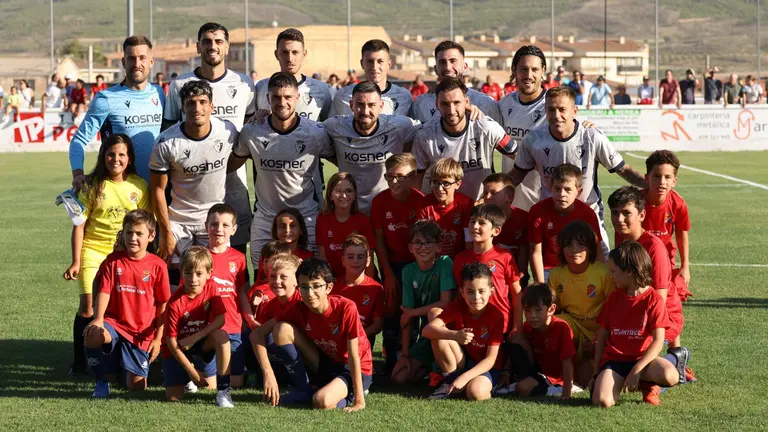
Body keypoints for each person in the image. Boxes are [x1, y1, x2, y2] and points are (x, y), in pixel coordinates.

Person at [509, 85, 647, 257]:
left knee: (600, 270)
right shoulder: (534, 139)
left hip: (589, 216)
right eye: (551, 110)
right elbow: (516, 175)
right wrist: (493, 194)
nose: (556, 115)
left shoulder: (592, 136)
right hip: (551, 218)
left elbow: (624, 170)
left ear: (574, 111)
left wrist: (651, 186)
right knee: (553, 276)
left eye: (562, 110)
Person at [163, 23, 256, 258]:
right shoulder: (179, 85)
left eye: (218, 41)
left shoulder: (244, 84)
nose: (212, 47)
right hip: (191, 195)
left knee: (234, 260)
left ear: (226, 47)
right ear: (198, 47)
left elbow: (249, 133)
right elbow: (168, 135)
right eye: (206, 41)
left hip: (234, 186)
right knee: (190, 264)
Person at [62, 134, 150, 377]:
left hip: (124, 255)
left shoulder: (139, 186)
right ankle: (80, 362)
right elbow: (79, 225)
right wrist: (76, 261)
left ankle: (116, 359)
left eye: (122, 154)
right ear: (103, 156)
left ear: (129, 158)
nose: (116, 159)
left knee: (120, 307)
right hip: (93, 250)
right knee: (88, 307)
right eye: (111, 154)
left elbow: (145, 225)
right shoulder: (92, 185)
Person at [230, 72, 333, 270]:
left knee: (309, 276)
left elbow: (340, 159)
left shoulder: (315, 132)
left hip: (305, 216)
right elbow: (232, 164)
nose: (282, 102)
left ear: (297, 98)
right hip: (266, 217)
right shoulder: (252, 132)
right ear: (268, 99)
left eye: (287, 97)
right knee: (263, 277)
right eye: (276, 97)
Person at [251, 258, 373, 410]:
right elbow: (256, 334)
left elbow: (354, 356)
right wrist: (268, 374)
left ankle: (352, 393)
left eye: (316, 286)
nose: (310, 293)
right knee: (281, 329)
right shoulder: (299, 308)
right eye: (304, 287)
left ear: (329, 288)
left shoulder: (345, 307)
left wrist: (359, 402)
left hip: (354, 368)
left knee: (322, 401)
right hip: (326, 363)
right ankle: (304, 388)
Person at [608, 186, 693, 383]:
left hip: (663, 316)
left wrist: (636, 329)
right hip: (636, 313)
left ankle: (675, 358)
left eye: (626, 213)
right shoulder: (621, 238)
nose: (619, 219)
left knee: (640, 352)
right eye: (615, 213)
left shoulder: (654, 247)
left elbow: (660, 298)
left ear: (642, 215)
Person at [149, 80, 239, 266]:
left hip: (214, 219)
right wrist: (165, 232)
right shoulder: (166, 143)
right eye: (190, 103)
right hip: (178, 221)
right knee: (175, 278)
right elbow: (157, 190)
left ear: (212, 106)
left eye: (202, 102)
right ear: (182, 107)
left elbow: (241, 153)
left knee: (215, 277)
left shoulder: (227, 131)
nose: (197, 108)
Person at [83, 210, 171, 398]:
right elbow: (104, 291)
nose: (133, 238)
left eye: (139, 234)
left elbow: (163, 304)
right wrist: (98, 319)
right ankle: (101, 382)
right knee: (92, 334)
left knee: (137, 386)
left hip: (141, 333)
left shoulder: (157, 266)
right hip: (114, 325)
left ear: (151, 236)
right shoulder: (113, 261)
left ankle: (120, 366)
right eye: (129, 232)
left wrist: (157, 338)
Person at [591, 241, 689, 407]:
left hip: (644, 360)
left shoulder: (654, 300)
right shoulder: (614, 298)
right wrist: (595, 373)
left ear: (629, 272)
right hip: (615, 361)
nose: (611, 276)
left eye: (614, 272)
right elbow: (601, 337)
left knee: (670, 375)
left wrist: (636, 370)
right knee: (602, 401)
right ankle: (621, 381)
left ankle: (647, 382)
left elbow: (659, 341)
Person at [69, 36, 165, 186]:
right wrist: (78, 173)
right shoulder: (106, 99)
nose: (137, 64)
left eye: (142, 58)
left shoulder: (160, 94)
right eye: (131, 58)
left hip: (158, 191)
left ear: (151, 61)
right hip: (121, 193)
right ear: (123, 62)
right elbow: (78, 141)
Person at [323, 81, 422, 214]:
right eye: (360, 105)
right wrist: (339, 159)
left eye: (371, 105)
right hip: (351, 209)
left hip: (387, 209)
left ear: (381, 106)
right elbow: (314, 138)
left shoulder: (399, 125)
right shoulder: (334, 126)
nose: (365, 111)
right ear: (351, 105)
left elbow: (426, 133)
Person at [412, 78, 515, 201]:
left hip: (479, 209)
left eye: (456, 103)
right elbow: (417, 178)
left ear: (466, 102)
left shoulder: (486, 127)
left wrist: (502, 188)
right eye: (444, 104)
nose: (451, 111)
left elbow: (519, 156)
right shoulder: (425, 135)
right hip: (443, 211)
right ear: (437, 105)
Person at [370, 153, 425, 374]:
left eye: (400, 177)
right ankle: (390, 358)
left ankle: (414, 356)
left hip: (417, 266)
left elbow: (424, 241)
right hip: (391, 264)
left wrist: (417, 272)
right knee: (391, 309)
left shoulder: (421, 201)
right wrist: (389, 275)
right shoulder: (380, 202)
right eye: (390, 176)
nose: (394, 182)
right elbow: (379, 242)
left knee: (413, 310)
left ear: (413, 177)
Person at [162, 246, 234, 407]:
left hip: (199, 343)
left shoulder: (212, 288)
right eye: (188, 273)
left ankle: (223, 391)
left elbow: (220, 319)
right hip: (178, 349)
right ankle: (186, 376)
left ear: (209, 273)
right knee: (174, 398)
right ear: (181, 272)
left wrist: (195, 337)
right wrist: (191, 372)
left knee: (222, 336)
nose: (193, 279)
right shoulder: (174, 303)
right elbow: (171, 343)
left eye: (199, 274)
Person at [423, 262, 504, 401]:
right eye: (470, 291)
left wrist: (465, 377)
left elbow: (491, 359)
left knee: (475, 393)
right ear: (462, 292)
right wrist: (455, 335)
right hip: (465, 361)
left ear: (492, 290)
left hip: (486, 367)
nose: (476, 297)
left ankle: (473, 385)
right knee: (439, 333)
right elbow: (427, 330)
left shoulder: (496, 316)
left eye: (481, 291)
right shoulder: (458, 306)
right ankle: (451, 382)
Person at [548, 220, 615, 387]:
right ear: (561, 248)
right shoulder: (556, 275)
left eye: (580, 244)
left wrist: (598, 339)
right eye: (569, 245)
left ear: (591, 247)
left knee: (586, 381)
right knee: (557, 322)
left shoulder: (602, 273)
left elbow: (613, 310)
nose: (574, 250)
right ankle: (554, 371)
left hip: (600, 334)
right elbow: (554, 312)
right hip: (573, 330)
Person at [391, 220, 456, 385]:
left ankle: (440, 371)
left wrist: (412, 313)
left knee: (435, 313)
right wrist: (405, 355)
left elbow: (445, 302)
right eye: (418, 242)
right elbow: (407, 315)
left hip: (448, 333)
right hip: (426, 336)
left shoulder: (445, 263)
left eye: (428, 242)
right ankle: (429, 367)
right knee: (399, 378)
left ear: (438, 247)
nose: (423, 247)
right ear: (410, 248)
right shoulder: (408, 271)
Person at [528, 164, 604, 283]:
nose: (562, 194)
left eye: (568, 189)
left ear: (578, 192)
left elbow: (597, 251)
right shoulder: (538, 212)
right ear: (550, 188)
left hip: (580, 268)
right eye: (557, 188)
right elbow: (535, 252)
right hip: (550, 270)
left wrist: (600, 280)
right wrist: (540, 285)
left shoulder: (587, 214)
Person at [202, 204, 250, 389]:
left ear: (234, 229)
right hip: (208, 328)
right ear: (206, 226)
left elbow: (239, 291)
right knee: (209, 386)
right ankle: (195, 370)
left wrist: (249, 318)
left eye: (225, 225)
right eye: (214, 224)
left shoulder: (238, 258)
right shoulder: (198, 256)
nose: (219, 229)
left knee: (235, 383)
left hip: (232, 325)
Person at [453, 204, 522, 333]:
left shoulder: (505, 257)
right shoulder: (460, 259)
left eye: (482, 223)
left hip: (501, 325)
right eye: (472, 221)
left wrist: (517, 327)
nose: (475, 226)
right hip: (471, 327)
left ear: (496, 231)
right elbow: (460, 295)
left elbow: (516, 294)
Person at [504, 283, 576, 398]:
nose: (532, 315)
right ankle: (518, 379)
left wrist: (566, 393)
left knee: (522, 388)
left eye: (538, 310)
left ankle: (553, 389)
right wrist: (506, 372)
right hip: (537, 370)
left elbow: (567, 362)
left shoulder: (561, 328)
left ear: (551, 309)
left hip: (554, 376)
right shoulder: (528, 327)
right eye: (527, 310)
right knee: (516, 337)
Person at [498, 45, 548, 212]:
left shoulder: (555, 105)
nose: (528, 75)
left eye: (534, 69)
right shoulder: (504, 105)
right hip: (511, 203)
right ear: (514, 70)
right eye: (523, 69)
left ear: (543, 70)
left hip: (544, 201)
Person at [643, 150, 692, 302]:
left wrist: (685, 266)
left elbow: (681, 233)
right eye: (657, 176)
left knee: (673, 293)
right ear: (647, 178)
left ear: (674, 181)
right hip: (639, 255)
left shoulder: (678, 204)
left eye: (667, 177)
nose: (662, 182)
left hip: (664, 256)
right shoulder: (636, 202)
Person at [410, 40, 500, 123]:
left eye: (453, 61)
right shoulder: (420, 104)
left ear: (465, 67)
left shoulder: (486, 103)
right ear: (435, 69)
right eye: (442, 62)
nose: (448, 68)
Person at [255, 28, 332, 122]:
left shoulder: (321, 89)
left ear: (304, 54)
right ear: (276, 54)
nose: (290, 58)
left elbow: (327, 126)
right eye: (284, 52)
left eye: (295, 52)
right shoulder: (261, 88)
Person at [330, 39, 413, 117]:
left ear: (389, 64)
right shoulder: (343, 96)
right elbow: (331, 128)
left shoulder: (404, 97)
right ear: (362, 64)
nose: (374, 67)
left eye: (380, 61)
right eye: (369, 61)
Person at [315, 172, 376, 278]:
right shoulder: (322, 219)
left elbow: (369, 259)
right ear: (330, 195)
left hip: (358, 280)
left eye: (349, 191)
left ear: (355, 195)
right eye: (338, 191)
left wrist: (368, 288)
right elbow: (322, 256)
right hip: (333, 280)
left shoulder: (363, 220)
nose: (344, 196)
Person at [416, 158, 473, 259]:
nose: (439, 188)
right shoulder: (424, 204)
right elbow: (422, 238)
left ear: (458, 184)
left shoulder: (465, 204)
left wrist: (465, 261)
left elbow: (468, 238)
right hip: (433, 259)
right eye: (435, 182)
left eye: (446, 183)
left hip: (459, 257)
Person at [480, 173, 529, 287]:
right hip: (485, 276)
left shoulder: (523, 218)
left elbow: (523, 258)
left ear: (510, 197)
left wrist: (518, 281)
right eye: (485, 193)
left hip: (514, 275)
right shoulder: (479, 218)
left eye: (494, 193)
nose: (487, 197)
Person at [336, 234, 385, 346]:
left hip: (362, 343)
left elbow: (378, 324)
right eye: (350, 257)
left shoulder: (376, 289)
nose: (355, 261)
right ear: (343, 260)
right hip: (337, 342)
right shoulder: (333, 287)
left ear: (368, 261)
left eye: (360, 257)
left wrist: (355, 336)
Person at [252, 208, 314, 285]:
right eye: (282, 226)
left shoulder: (309, 257)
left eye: (292, 226)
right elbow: (260, 283)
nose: (287, 230)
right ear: (276, 230)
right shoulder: (268, 254)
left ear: (301, 229)